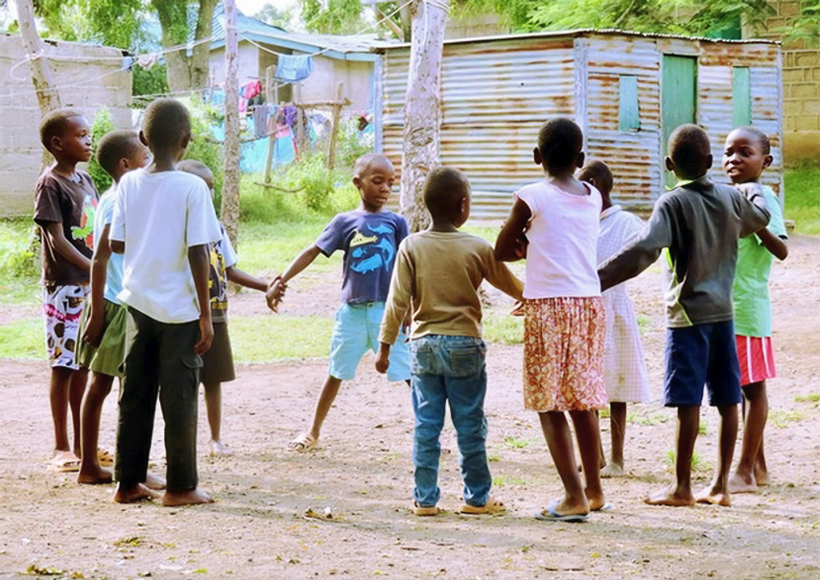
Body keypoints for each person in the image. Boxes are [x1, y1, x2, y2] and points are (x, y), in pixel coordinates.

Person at [597, 124, 770, 508]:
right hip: (724, 315)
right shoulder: (730, 197)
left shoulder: (671, 203)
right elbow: (759, 218)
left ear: (668, 164)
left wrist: (595, 278)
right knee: (728, 400)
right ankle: (721, 485)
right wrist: (753, 185)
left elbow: (644, 249)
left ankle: (682, 487)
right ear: (710, 162)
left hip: (687, 318)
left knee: (687, 402)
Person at [376, 167, 523, 516]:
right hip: (465, 346)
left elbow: (397, 301)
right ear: (463, 206)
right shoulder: (477, 246)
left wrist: (384, 347)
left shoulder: (411, 246)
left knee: (427, 425)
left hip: (424, 346)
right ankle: (476, 498)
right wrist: (529, 298)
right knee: (470, 424)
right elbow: (512, 284)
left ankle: (425, 500)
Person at [495, 118, 608, 522]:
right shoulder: (594, 195)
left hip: (548, 307)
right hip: (590, 304)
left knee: (549, 403)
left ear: (536, 157)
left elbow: (501, 249)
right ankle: (594, 490)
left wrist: (525, 243)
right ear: (580, 159)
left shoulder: (532, 195)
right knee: (583, 399)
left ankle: (573, 497)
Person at [110, 98, 222, 506]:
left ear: (143, 138)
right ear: (186, 141)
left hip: (137, 305)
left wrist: (148, 234)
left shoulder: (128, 183)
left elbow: (117, 242)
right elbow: (199, 253)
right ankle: (181, 487)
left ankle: (127, 483)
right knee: (179, 398)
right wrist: (206, 316)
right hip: (179, 310)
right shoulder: (191, 186)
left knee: (134, 395)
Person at [267, 153, 411, 452]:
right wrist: (283, 279)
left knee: (410, 375)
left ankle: (431, 434)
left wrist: (410, 307)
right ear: (358, 183)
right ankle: (312, 431)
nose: (385, 188)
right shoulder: (345, 221)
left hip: (389, 312)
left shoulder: (397, 223)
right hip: (353, 313)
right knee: (335, 373)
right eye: (377, 181)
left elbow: (410, 267)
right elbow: (313, 250)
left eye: (390, 183)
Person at [178, 159, 272, 457]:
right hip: (185, 314)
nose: (209, 195)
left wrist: (264, 286)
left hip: (216, 314)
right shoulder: (176, 227)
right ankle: (185, 441)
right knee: (185, 382)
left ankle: (215, 439)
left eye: (211, 189)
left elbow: (230, 270)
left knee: (213, 379)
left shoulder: (216, 227)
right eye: (202, 189)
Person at [75, 130, 152, 484]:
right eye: (143, 159)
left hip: (126, 302)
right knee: (102, 384)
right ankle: (90, 464)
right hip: (112, 304)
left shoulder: (133, 197)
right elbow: (99, 259)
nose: (148, 164)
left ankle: (128, 466)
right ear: (125, 165)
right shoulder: (116, 198)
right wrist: (96, 313)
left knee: (126, 387)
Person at [722, 127, 788, 493]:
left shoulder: (763, 198)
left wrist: (758, 222)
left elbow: (781, 250)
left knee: (752, 389)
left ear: (766, 161)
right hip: (726, 306)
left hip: (747, 308)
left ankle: (745, 470)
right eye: (729, 152)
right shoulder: (730, 196)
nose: (734, 159)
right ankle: (758, 467)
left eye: (744, 152)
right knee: (741, 385)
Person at [33, 108, 98, 473]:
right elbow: (56, 240)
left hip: (90, 285)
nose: (89, 141)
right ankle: (61, 445)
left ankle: (84, 441)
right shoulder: (50, 183)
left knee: (84, 364)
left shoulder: (86, 181)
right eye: (82, 135)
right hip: (64, 289)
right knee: (63, 365)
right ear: (58, 144)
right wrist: (95, 268)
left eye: (90, 135)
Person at [579, 160, 650, 478]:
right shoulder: (580, 221)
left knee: (618, 384)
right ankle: (596, 455)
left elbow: (646, 252)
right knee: (587, 384)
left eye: (582, 183)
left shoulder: (626, 223)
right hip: (584, 311)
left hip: (615, 309)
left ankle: (618, 459)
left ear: (594, 183)